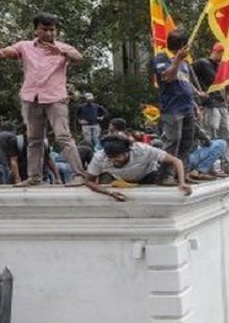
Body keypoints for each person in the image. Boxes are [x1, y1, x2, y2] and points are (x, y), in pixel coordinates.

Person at [0, 12, 88, 187]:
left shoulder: (63, 47)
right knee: (33, 139)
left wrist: (61, 52)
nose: (49, 33)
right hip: (31, 97)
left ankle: (79, 175)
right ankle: (34, 177)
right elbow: (7, 53)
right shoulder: (25, 46)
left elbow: (78, 57)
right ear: (36, 31)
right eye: (44, 29)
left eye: (52, 30)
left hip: (56, 98)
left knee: (63, 136)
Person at [82, 135, 193, 201]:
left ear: (127, 152)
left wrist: (181, 182)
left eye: (118, 157)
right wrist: (109, 193)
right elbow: (89, 181)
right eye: (111, 158)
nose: (114, 161)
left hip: (147, 175)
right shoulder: (100, 157)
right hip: (119, 179)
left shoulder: (143, 150)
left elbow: (176, 161)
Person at [152, 29, 202, 164]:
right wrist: (177, 60)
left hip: (187, 107)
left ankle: (182, 174)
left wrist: (195, 105)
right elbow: (168, 77)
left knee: (187, 142)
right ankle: (166, 175)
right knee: (172, 141)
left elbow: (186, 84)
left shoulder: (185, 63)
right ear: (182, 46)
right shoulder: (161, 58)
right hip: (172, 107)